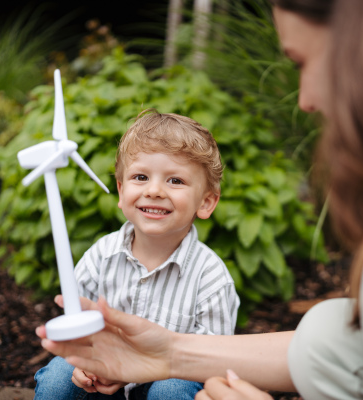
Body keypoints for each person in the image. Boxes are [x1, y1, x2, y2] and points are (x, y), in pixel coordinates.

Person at [37, 0, 363, 399]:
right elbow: (349, 350)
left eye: (303, 63)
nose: (305, 100)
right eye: (140, 177)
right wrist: (168, 353)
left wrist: (173, 365)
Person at [34, 109, 240, 400]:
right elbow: (76, 327)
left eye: (175, 181)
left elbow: (213, 360)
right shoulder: (101, 256)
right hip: (103, 375)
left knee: (172, 390)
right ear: (121, 191)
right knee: (58, 378)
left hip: (168, 380)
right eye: (141, 177)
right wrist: (87, 364)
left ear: (206, 202)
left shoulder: (211, 278)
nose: (154, 190)